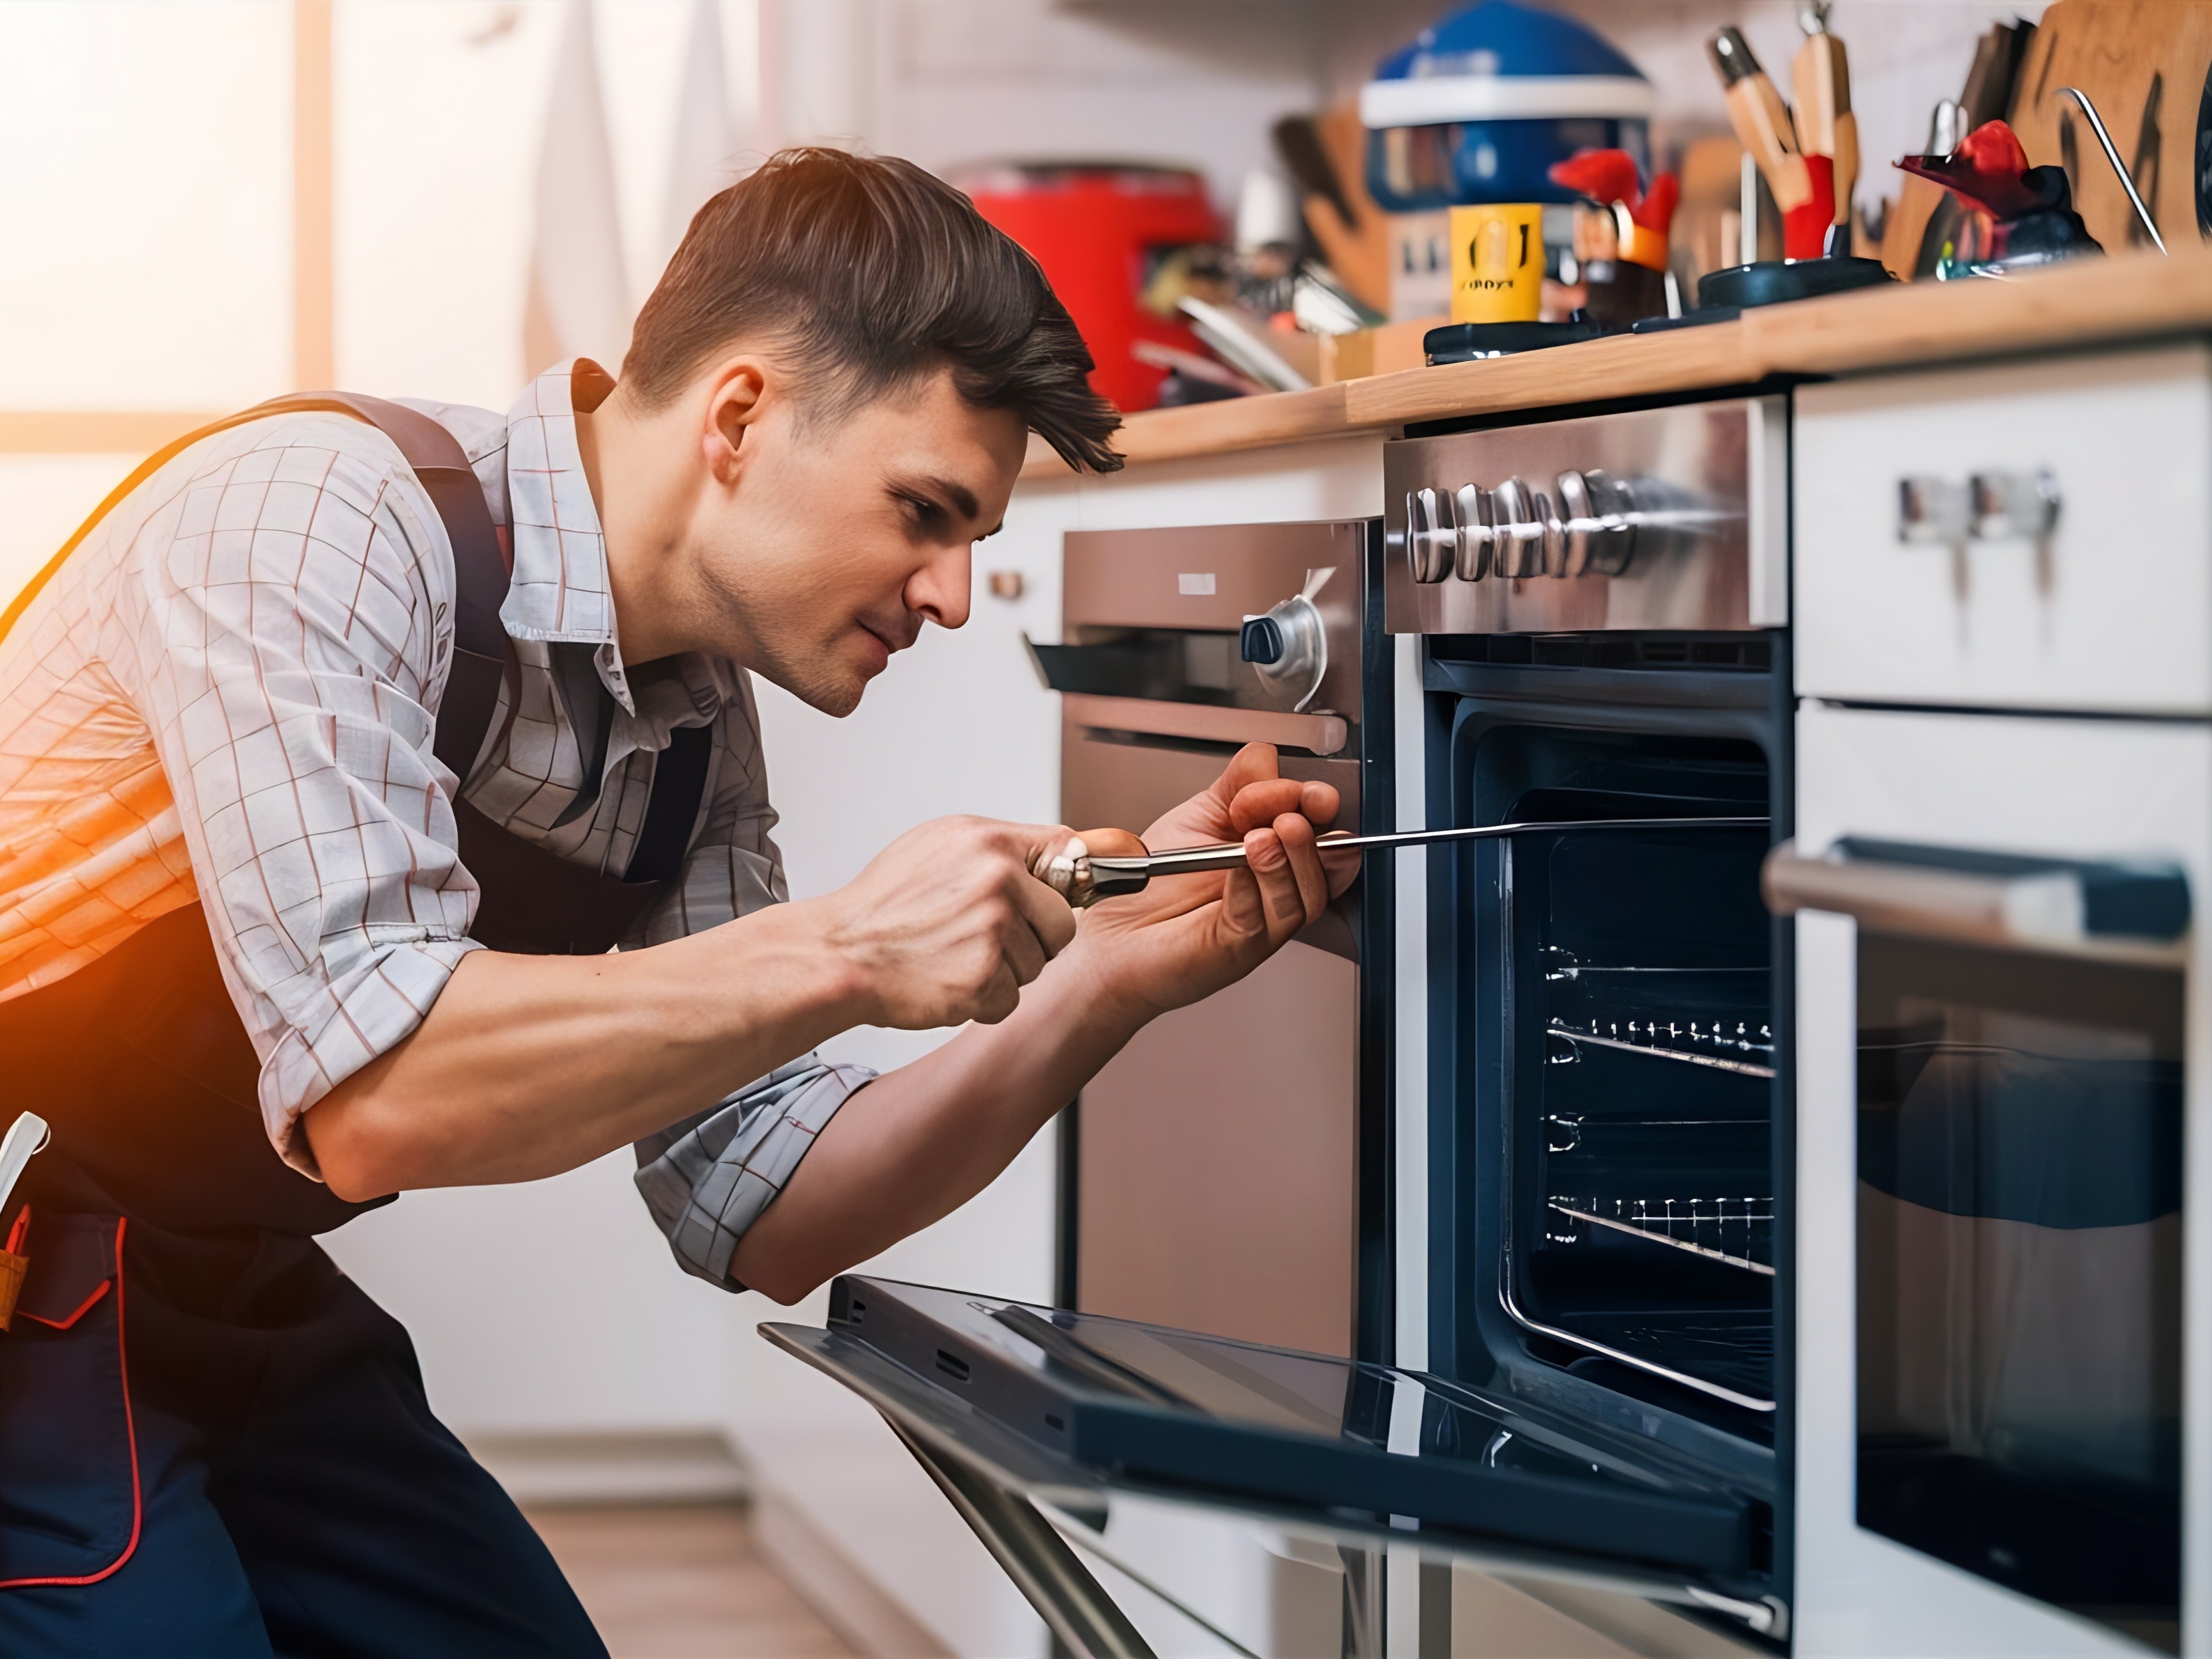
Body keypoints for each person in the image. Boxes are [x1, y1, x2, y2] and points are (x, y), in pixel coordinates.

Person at [0, 148, 1354, 1654]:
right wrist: (841, 946)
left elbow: (760, 1204)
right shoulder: (320, 522)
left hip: (207, 1273)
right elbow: (378, 1093)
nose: (958, 595)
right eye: (927, 512)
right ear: (740, 416)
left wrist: (1099, 986)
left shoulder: (689, 728)